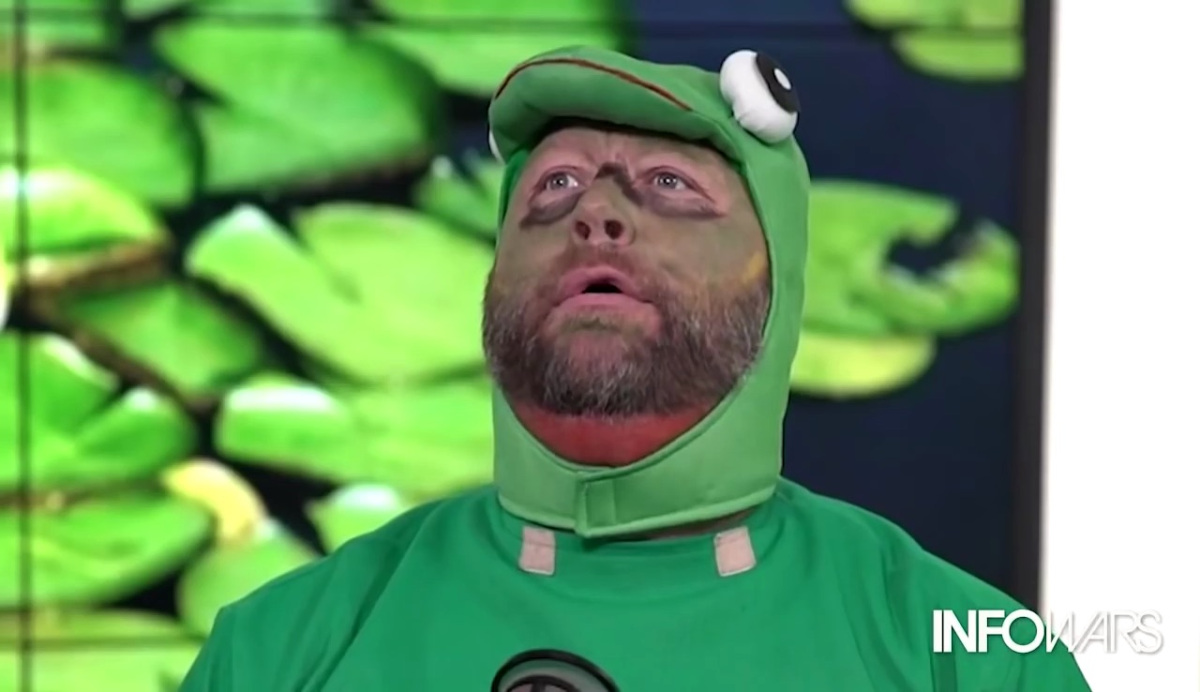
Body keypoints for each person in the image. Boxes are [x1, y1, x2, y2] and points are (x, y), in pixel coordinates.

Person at [179, 46, 1090, 691]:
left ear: (779, 276)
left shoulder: (972, 662)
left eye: (668, 185)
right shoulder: (275, 653)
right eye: (555, 188)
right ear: (494, 275)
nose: (596, 216)